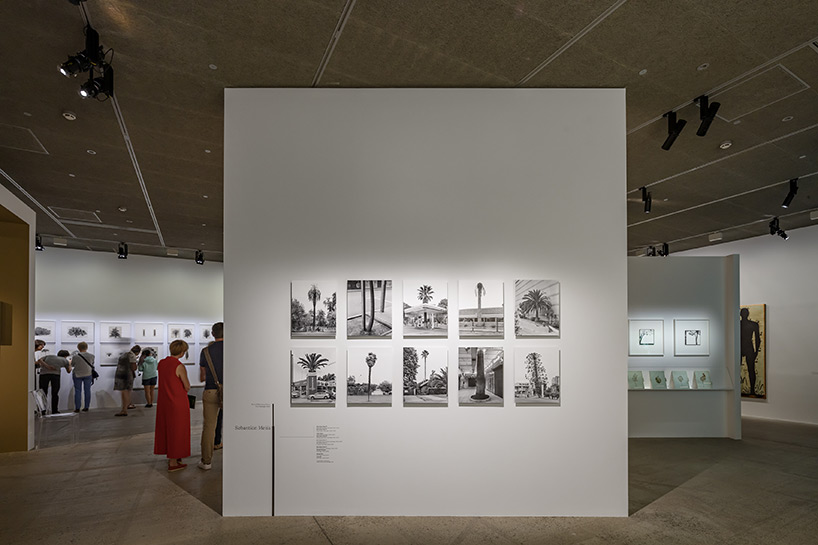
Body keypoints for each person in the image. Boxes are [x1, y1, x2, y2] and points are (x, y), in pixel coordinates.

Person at [154, 340, 191, 472]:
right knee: (178, 430)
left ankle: (175, 455)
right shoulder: (179, 366)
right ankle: (173, 462)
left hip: (164, 402)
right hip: (177, 402)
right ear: (182, 352)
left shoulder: (161, 363)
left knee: (167, 428)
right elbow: (187, 386)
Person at [198, 321, 223, 470]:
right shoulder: (234, 349)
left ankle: (206, 462)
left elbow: (202, 374)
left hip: (211, 390)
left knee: (209, 427)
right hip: (232, 391)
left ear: (213, 334)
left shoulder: (206, 351)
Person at [740, 307, 762, 396]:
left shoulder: (753, 325)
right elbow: (757, 339)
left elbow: (758, 339)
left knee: (751, 369)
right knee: (748, 369)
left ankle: (752, 390)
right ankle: (750, 390)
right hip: (742, 347)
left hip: (747, 347)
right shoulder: (740, 324)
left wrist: (756, 352)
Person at [114, 345, 140, 416]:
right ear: (137, 352)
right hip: (127, 376)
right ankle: (124, 409)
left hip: (120, 374)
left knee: (124, 392)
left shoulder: (125, 354)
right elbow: (134, 368)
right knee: (126, 392)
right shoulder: (132, 356)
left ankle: (126, 407)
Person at [71, 342, 95, 412]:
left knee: (77, 391)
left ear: (78, 348)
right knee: (87, 391)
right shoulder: (92, 356)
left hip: (77, 374)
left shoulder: (75, 356)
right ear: (86, 347)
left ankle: (77, 408)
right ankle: (86, 407)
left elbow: (72, 364)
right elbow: (92, 363)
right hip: (88, 374)